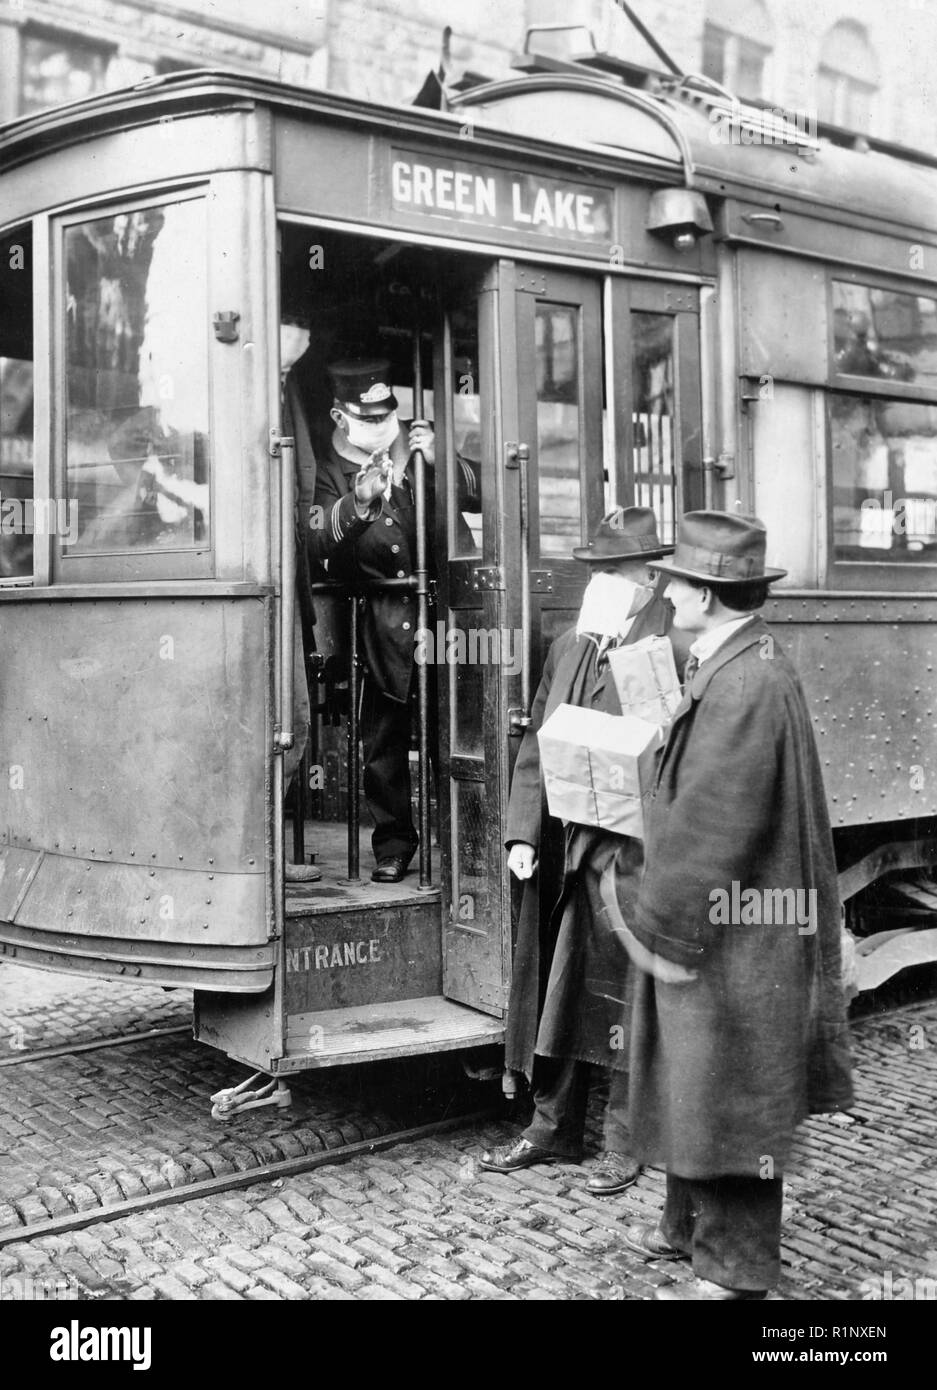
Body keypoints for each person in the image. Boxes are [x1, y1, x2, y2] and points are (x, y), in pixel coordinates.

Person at [615, 510, 854, 1299]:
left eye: (675, 579)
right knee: (704, 1085)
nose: (665, 589)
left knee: (732, 1096)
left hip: (728, 933)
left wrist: (654, 916)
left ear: (709, 594)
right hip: (732, 925)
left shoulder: (743, 678)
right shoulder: (738, 660)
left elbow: (717, 822)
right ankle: (688, 1230)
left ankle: (733, 1272)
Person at [479, 508, 689, 1192]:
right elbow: (537, 741)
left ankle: (631, 1139)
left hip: (635, 852)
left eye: (612, 570)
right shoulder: (572, 644)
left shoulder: (673, 645)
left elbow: (680, 755)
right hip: (567, 848)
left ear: (650, 576)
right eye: (594, 568)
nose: (597, 580)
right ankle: (552, 1127)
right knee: (563, 989)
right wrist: (519, 831)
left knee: (633, 991)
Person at [307, 357, 478, 882]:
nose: (382, 425)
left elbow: (483, 496)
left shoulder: (420, 449)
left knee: (454, 734)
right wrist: (358, 502)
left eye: (387, 416)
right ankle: (394, 845)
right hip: (382, 622)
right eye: (369, 417)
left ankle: (464, 839)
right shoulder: (330, 470)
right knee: (384, 745)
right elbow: (317, 543)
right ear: (341, 417)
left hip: (447, 620)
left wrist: (442, 461)